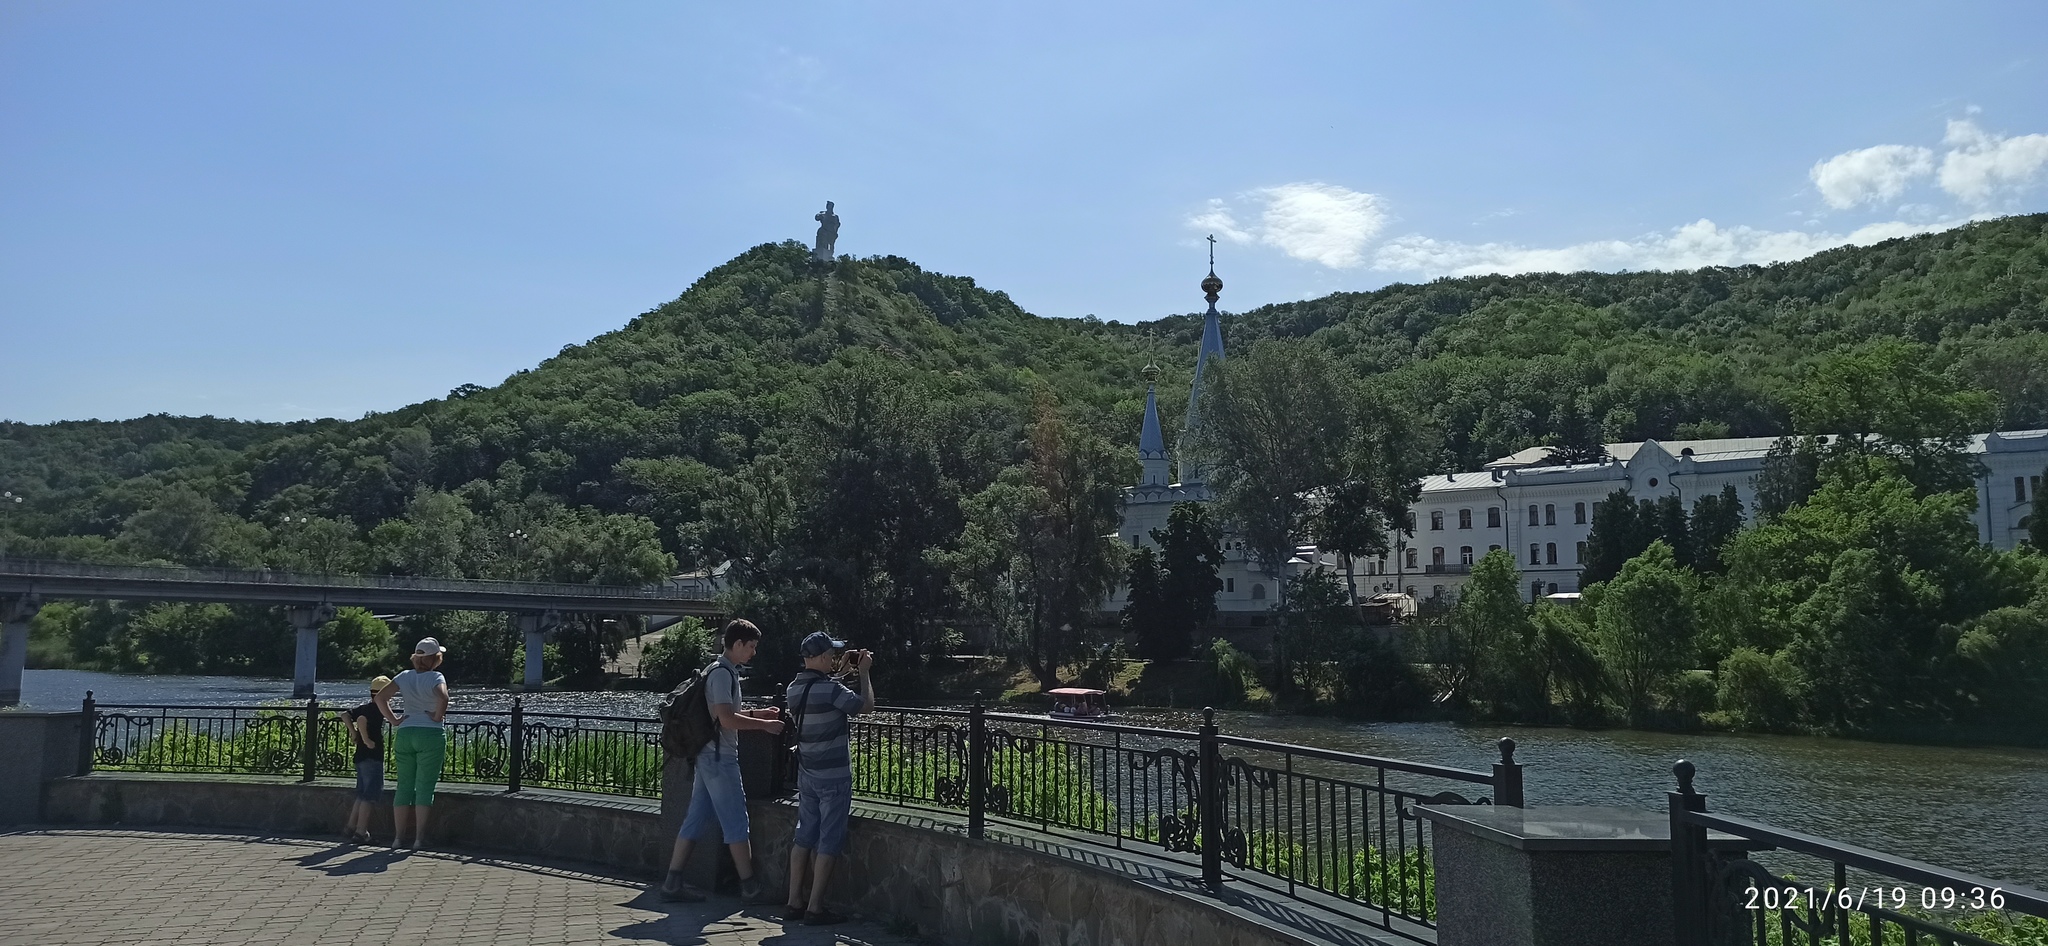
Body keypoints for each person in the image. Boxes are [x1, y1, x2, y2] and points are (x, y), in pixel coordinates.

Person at [659, 619, 785, 902]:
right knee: (736, 822)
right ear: (737, 644)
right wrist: (764, 727)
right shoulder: (722, 675)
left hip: (709, 757)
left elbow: (724, 713)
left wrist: (759, 713)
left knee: (695, 819)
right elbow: (725, 719)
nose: (753, 653)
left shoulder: (718, 671)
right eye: (751, 647)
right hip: (719, 759)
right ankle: (751, 888)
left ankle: (672, 883)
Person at [781, 632, 873, 925]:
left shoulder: (795, 688)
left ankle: (794, 901)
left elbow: (824, 691)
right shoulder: (830, 690)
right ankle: (815, 908)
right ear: (821, 657)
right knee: (828, 841)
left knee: (804, 836)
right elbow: (866, 706)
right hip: (833, 777)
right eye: (831, 654)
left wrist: (842, 673)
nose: (834, 658)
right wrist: (864, 673)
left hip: (807, 775)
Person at [376, 637, 450, 850]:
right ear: (436, 658)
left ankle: (398, 839)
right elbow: (443, 697)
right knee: (425, 788)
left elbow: (381, 698)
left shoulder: (404, 676)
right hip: (430, 734)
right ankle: (418, 839)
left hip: (406, 733)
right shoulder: (436, 676)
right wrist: (437, 716)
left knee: (404, 786)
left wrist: (394, 720)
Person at [341, 674, 392, 844]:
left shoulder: (365, 707)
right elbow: (362, 721)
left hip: (361, 756)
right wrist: (366, 739)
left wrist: (353, 733)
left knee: (362, 794)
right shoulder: (378, 709)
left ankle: (350, 826)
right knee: (370, 795)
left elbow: (345, 715)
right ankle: (361, 831)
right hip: (372, 756)